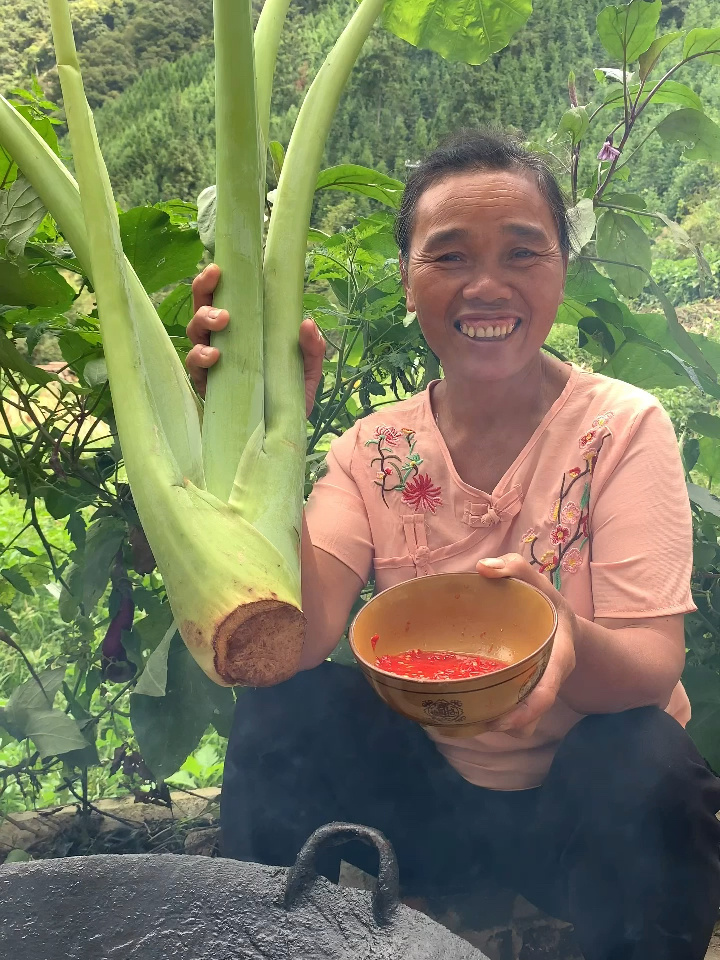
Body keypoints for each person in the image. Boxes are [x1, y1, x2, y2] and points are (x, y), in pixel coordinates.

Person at [186, 130, 720, 960]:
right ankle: (265, 946)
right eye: (448, 256)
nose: (487, 285)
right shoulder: (372, 450)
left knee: (648, 758)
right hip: (423, 806)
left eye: (522, 251)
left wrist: (567, 639)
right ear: (407, 278)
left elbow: (653, 668)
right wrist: (251, 432)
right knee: (285, 712)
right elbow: (301, 639)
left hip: (576, 819)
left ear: (561, 271)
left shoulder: (621, 428)